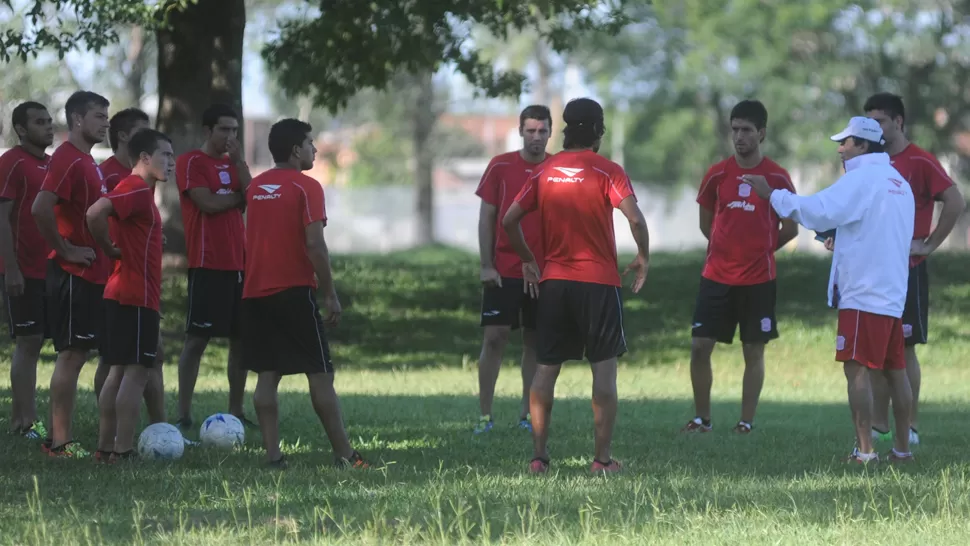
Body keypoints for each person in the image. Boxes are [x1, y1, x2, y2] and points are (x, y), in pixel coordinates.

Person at [748, 116, 915, 462]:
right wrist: (841, 239)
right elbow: (877, 229)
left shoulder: (861, 179)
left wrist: (772, 195)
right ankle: (902, 449)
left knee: (856, 368)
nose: (840, 150)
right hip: (893, 293)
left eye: (847, 143)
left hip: (863, 293)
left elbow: (818, 210)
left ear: (864, 145)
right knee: (896, 371)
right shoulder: (899, 182)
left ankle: (865, 451)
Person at [502, 98, 650, 475]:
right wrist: (643, 255)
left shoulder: (545, 171)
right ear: (599, 131)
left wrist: (528, 260)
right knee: (603, 371)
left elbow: (508, 220)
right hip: (598, 285)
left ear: (564, 130)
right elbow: (635, 218)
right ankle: (601, 461)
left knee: (545, 369)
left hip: (554, 285)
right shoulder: (608, 171)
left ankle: (539, 457)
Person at [241, 118, 366, 469]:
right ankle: (345, 455)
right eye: (310, 143)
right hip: (294, 291)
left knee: (267, 373)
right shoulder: (307, 187)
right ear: (296, 150)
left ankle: (272, 457)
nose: (314, 149)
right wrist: (330, 294)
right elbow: (316, 245)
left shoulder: (255, 188)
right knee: (321, 373)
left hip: (255, 292)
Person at [682, 100, 799, 435]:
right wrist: (726, 250)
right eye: (734, 129)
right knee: (700, 346)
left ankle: (745, 422)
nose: (739, 136)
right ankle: (702, 419)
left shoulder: (778, 177)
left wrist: (759, 251)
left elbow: (789, 229)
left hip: (759, 280)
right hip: (716, 277)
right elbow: (707, 225)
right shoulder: (717, 174)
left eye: (746, 130)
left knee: (753, 350)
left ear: (761, 133)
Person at [863, 93, 966, 446]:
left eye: (880, 121)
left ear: (898, 122)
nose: (874, 129)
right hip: (873, 271)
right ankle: (879, 424)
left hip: (908, 269)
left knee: (905, 349)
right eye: (869, 122)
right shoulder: (868, 161)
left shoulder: (919, 160)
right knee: (874, 352)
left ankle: (913, 425)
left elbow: (954, 200)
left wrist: (929, 243)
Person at [31, 90, 112, 457]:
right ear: (78, 120)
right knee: (71, 355)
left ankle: (61, 439)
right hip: (70, 274)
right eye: (99, 116)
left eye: (106, 115)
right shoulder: (67, 158)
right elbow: (40, 208)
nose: (105, 122)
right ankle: (58, 442)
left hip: (90, 273)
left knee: (79, 352)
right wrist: (65, 250)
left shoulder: (87, 160)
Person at [85, 129, 174, 463]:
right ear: (144, 158)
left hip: (124, 293)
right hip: (135, 295)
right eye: (165, 155)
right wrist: (107, 247)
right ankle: (122, 450)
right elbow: (95, 213)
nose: (171, 162)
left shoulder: (139, 192)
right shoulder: (135, 187)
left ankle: (105, 449)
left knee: (119, 372)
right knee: (137, 374)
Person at [174, 103, 254, 431]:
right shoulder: (191, 162)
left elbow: (254, 196)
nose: (230, 136)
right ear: (208, 131)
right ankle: (183, 412)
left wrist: (240, 165)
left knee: (241, 340)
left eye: (234, 130)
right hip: (207, 263)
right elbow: (206, 203)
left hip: (240, 263)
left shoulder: (235, 165)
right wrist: (237, 199)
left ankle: (236, 410)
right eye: (224, 129)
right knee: (197, 340)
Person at [472, 104, 551, 434]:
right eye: (530, 130)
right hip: (504, 270)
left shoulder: (558, 167)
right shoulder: (500, 166)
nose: (536, 137)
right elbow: (487, 218)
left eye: (542, 130)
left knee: (534, 342)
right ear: (520, 131)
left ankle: (525, 415)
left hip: (544, 272)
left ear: (550, 132)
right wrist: (487, 265)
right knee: (495, 338)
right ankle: (485, 417)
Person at [0, 101, 53, 438]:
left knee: (36, 341)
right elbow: (1, 218)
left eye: (49, 121)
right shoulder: (11, 162)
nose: (48, 127)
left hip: (49, 268)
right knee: (28, 341)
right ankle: (24, 422)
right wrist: (11, 269)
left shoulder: (52, 164)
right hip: (20, 269)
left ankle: (22, 420)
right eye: (39, 122)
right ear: (21, 129)